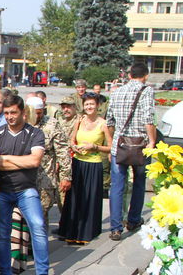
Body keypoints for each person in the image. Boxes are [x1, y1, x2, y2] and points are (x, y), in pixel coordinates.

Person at [0, 94, 50, 275]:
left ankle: (42, 271)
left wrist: (6, 159)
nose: (9, 117)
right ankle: (5, 274)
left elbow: (34, 161)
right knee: (3, 234)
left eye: (13, 112)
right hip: (3, 191)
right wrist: (19, 160)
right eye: (6, 113)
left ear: (23, 112)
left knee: (38, 226)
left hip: (26, 190)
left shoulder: (35, 134)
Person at [106, 62, 156, 241]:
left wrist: (112, 142)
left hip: (119, 146)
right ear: (146, 75)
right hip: (139, 145)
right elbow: (148, 118)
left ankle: (115, 227)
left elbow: (109, 121)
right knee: (139, 183)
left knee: (117, 186)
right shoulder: (146, 90)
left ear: (129, 75)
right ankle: (133, 219)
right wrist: (152, 141)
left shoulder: (117, 91)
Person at [58, 92, 112, 244]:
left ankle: (86, 232)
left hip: (94, 165)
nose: (89, 107)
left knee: (89, 199)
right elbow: (71, 139)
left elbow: (111, 147)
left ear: (98, 106)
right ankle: (70, 231)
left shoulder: (103, 124)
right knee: (74, 198)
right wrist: (74, 147)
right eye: (86, 104)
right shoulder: (79, 121)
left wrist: (95, 147)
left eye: (92, 104)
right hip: (77, 163)